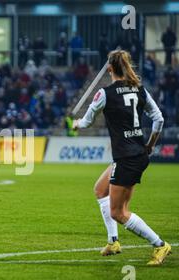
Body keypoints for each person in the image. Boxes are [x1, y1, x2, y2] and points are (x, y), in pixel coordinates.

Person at [73, 50, 171, 266]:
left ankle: (160, 244)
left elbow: (87, 123)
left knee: (119, 211)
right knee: (100, 189)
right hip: (135, 153)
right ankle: (113, 241)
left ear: (109, 69)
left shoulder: (104, 93)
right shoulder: (139, 89)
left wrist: (76, 123)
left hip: (127, 158)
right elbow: (159, 119)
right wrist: (150, 145)